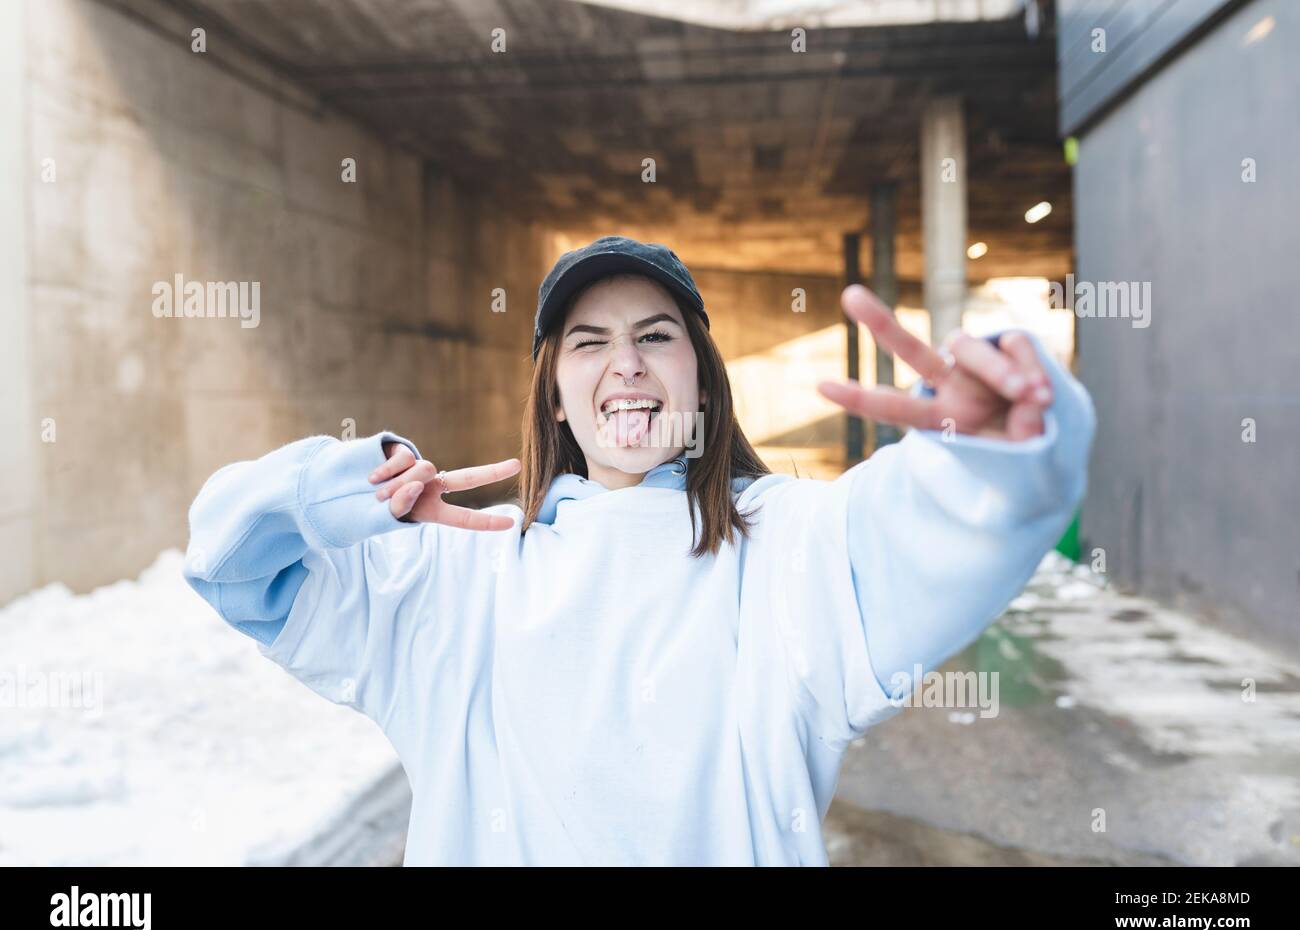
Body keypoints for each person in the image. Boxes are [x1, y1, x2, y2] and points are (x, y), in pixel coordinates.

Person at [183, 235, 1095, 865]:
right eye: (590, 344)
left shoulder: (785, 554)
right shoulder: (456, 578)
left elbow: (950, 518)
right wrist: (337, 492)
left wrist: (1007, 445)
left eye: (656, 338)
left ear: (702, 376)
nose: (625, 363)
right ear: (554, 397)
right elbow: (232, 564)